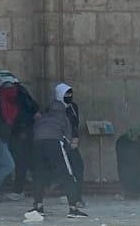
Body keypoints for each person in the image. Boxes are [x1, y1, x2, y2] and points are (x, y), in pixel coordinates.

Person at [28, 83, 87, 218]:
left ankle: (38, 206)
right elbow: (67, 135)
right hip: (54, 143)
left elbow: (36, 129)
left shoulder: (44, 115)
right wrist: (71, 143)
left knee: (39, 175)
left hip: (37, 144)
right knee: (67, 173)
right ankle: (73, 208)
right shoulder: (64, 116)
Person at [7, 78, 39, 200]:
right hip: (25, 131)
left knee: (21, 162)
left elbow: (20, 114)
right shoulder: (23, 93)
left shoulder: (16, 96)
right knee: (26, 162)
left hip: (21, 132)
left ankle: (18, 190)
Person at [64, 86, 85, 206]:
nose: (68, 97)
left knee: (78, 167)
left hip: (72, 143)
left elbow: (75, 124)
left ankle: (77, 196)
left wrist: (75, 138)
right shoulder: (56, 108)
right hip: (62, 142)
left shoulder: (73, 107)